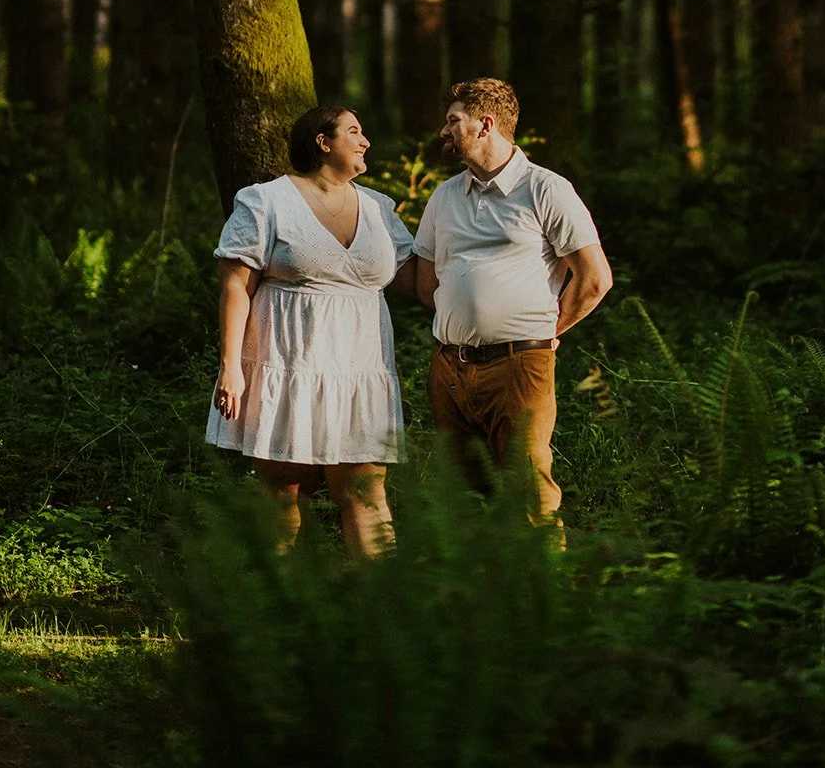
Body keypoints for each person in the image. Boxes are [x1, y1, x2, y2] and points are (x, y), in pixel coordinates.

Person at [207, 105, 416, 556]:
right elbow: (236, 287)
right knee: (285, 490)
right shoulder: (266, 201)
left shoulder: (379, 208)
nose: (365, 142)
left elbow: (419, 278)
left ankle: (384, 595)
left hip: (361, 370)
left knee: (365, 490)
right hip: (288, 362)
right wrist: (230, 367)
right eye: (354, 132)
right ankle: (277, 595)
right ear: (323, 142)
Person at [415, 78, 613, 524]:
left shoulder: (545, 189)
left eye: (454, 121)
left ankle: (545, 571)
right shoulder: (444, 197)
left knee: (529, 497)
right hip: (449, 370)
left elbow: (595, 279)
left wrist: (544, 334)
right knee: (463, 502)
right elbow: (428, 285)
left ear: (485, 124)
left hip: (520, 367)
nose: (444, 131)